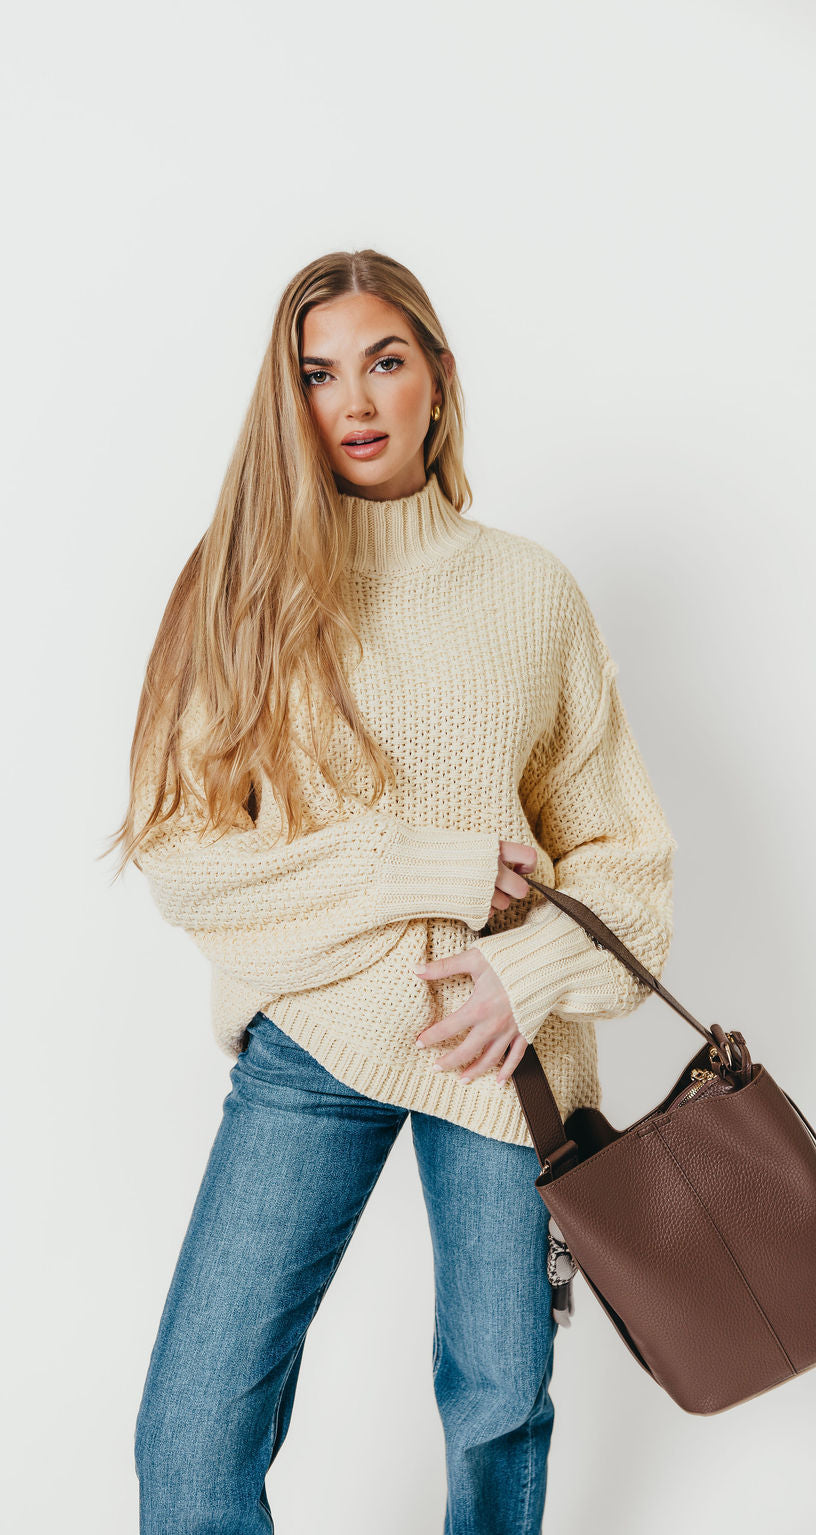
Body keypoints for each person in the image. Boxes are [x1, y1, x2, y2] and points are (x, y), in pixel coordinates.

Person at [103, 247, 676, 1534]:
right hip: (314, 1033)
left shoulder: (530, 590)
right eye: (317, 374)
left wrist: (521, 971)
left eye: (383, 361)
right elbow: (183, 853)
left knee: (498, 1405)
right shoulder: (242, 585)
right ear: (287, 398)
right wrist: (422, 866)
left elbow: (628, 864)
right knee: (193, 1428)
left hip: (503, 1050)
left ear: (438, 378)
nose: (353, 400)